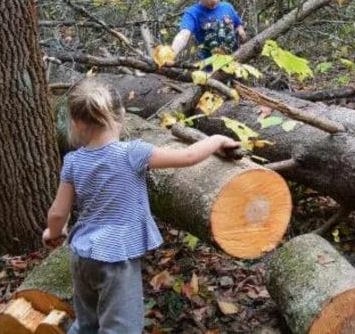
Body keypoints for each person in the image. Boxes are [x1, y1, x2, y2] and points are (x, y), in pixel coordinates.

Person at [42, 78, 240, 333]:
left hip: (82, 255)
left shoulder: (72, 161)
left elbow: (58, 212)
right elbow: (188, 157)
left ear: (76, 123)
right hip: (115, 258)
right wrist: (216, 139)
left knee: (87, 323)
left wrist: (53, 233)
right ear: (121, 115)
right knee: (121, 328)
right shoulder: (132, 153)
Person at [170, 0, 247, 61]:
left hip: (235, 60)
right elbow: (184, 34)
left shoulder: (227, 7)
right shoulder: (192, 13)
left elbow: (237, 24)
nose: (215, 0)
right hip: (210, 65)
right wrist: (171, 54)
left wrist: (241, 33)